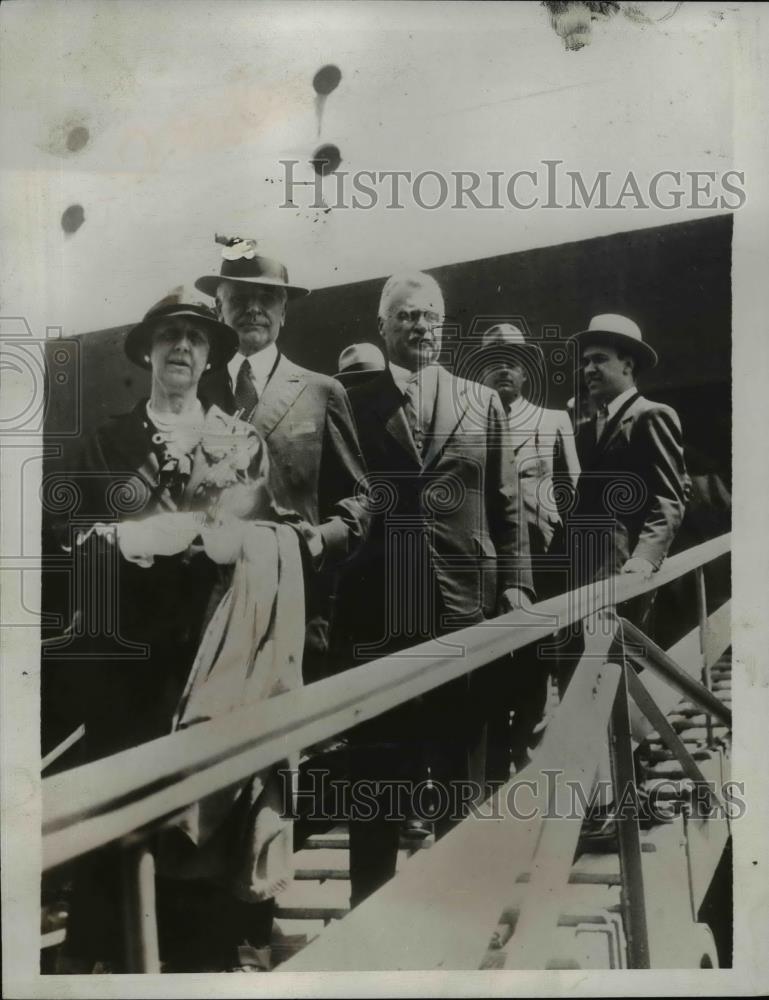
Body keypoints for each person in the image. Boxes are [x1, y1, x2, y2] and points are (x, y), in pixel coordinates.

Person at [58, 291, 306, 973]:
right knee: (120, 826)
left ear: (209, 356)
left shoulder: (239, 439)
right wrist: (114, 541)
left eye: (196, 338)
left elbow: (263, 536)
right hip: (125, 672)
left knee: (202, 825)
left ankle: (201, 966)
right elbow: (62, 542)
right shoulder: (105, 442)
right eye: (169, 335)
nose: (181, 348)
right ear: (147, 350)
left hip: (212, 665)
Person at [333, 271, 533, 905]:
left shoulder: (482, 402)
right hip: (380, 609)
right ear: (383, 326)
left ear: (444, 326)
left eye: (429, 317)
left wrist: (516, 587)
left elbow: (506, 505)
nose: (419, 326)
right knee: (378, 765)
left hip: (463, 607)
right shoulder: (351, 399)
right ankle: (370, 903)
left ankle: (461, 899)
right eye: (405, 317)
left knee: (460, 760)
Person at [196, 237, 370, 684]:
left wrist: (320, 540)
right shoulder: (197, 393)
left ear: (284, 311)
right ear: (218, 307)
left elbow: (361, 500)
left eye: (267, 298)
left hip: (296, 606)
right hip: (209, 609)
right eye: (240, 297)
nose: (254, 308)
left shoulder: (321, 392)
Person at [475, 323, 580, 775]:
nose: (503, 369)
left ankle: (529, 758)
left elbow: (574, 495)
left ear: (527, 369)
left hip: (545, 559)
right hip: (490, 562)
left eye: (513, 361)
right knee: (494, 667)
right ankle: (497, 771)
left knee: (539, 665)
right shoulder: (467, 423)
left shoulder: (553, 420)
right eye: (493, 361)